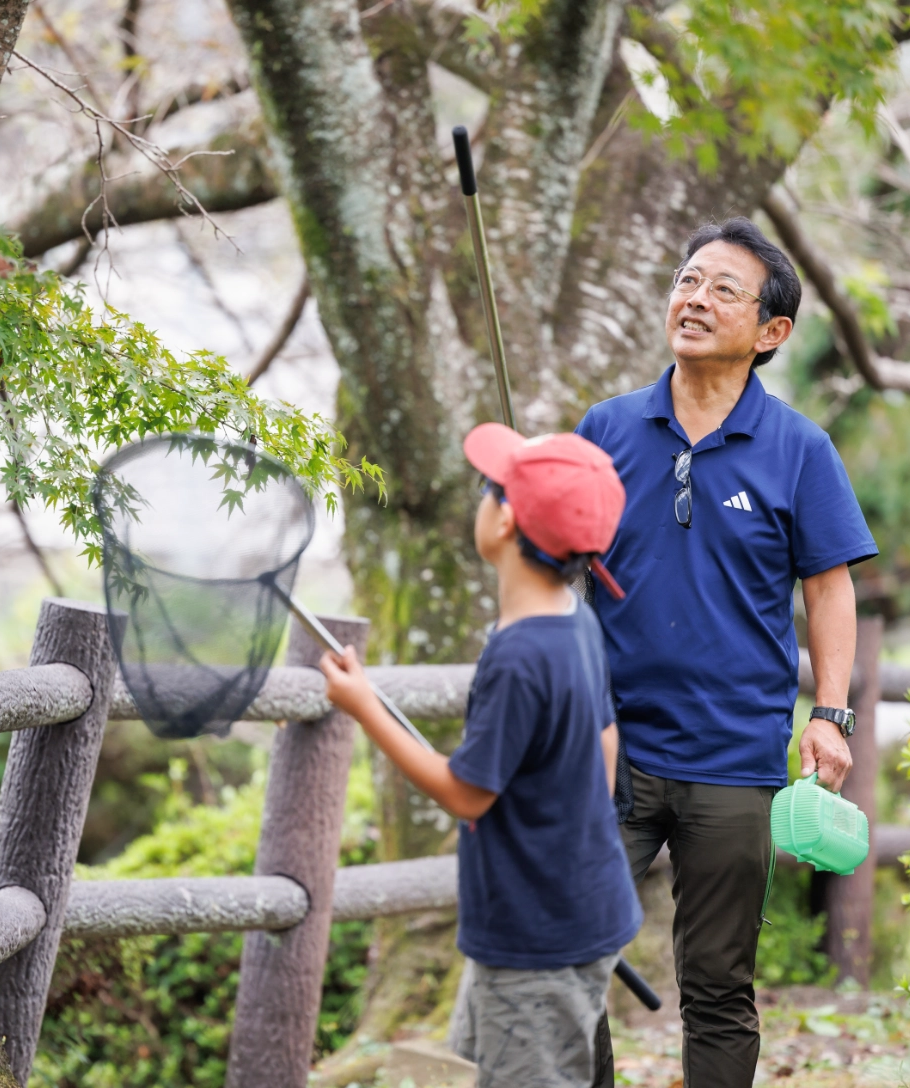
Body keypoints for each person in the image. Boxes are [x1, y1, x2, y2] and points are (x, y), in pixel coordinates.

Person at [574, 217, 878, 1088]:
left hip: (734, 758)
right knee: (566, 957)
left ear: (771, 332)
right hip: (608, 750)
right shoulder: (606, 427)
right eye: (686, 279)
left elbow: (829, 588)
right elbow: (558, 558)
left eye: (721, 289)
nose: (694, 298)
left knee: (715, 985)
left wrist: (829, 715)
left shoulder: (800, 450)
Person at [319, 423, 643, 1088]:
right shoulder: (574, 620)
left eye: (489, 489)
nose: (481, 499)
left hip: (535, 937)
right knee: (474, 1066)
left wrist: (364, 707)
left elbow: (468, 793)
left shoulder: (521, 654)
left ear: (504, 521)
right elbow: (604, 741)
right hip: (578, 906)